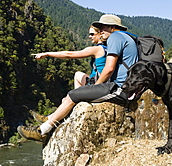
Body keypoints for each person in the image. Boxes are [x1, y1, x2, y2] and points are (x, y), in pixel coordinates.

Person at [17, 14, 138, 142]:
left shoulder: (115, 37)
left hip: (120, 89)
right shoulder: (126, 37)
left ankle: (42, 131)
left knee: (73, 95)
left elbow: (109, 69)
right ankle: (50, 121)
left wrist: (96, 87)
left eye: (103, 27)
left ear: (113, 27)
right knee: (76, 86)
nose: (101, 31)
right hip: (124, 86)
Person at [32, 25, 107, 89]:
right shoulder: (108, 48)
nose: (90, 36)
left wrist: (47, 54)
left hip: (96, 83)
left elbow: (68, 55)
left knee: (77, 75)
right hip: (104, 82)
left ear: (100, 34)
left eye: (92, 34)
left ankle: (78, 99)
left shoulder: (96, 49)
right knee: (78, 74)